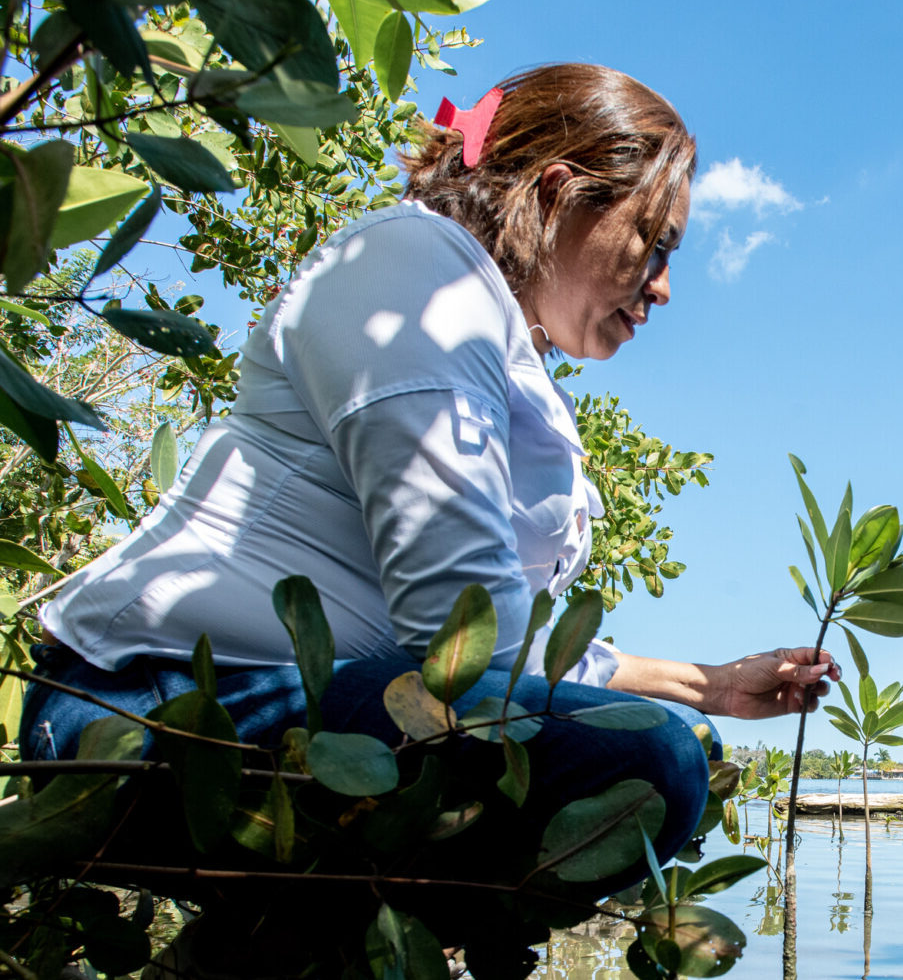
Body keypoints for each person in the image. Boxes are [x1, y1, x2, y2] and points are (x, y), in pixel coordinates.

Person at [20, 64, 835, 878]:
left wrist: (711, 686)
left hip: (272, 707)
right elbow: (462, 631)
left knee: (684, 741)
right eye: (654, 244)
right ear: (557, 194)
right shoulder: (419, 275)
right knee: (654, 763)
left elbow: (502, 636)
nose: (662, 286)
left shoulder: (488, 326)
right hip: (138, 707)